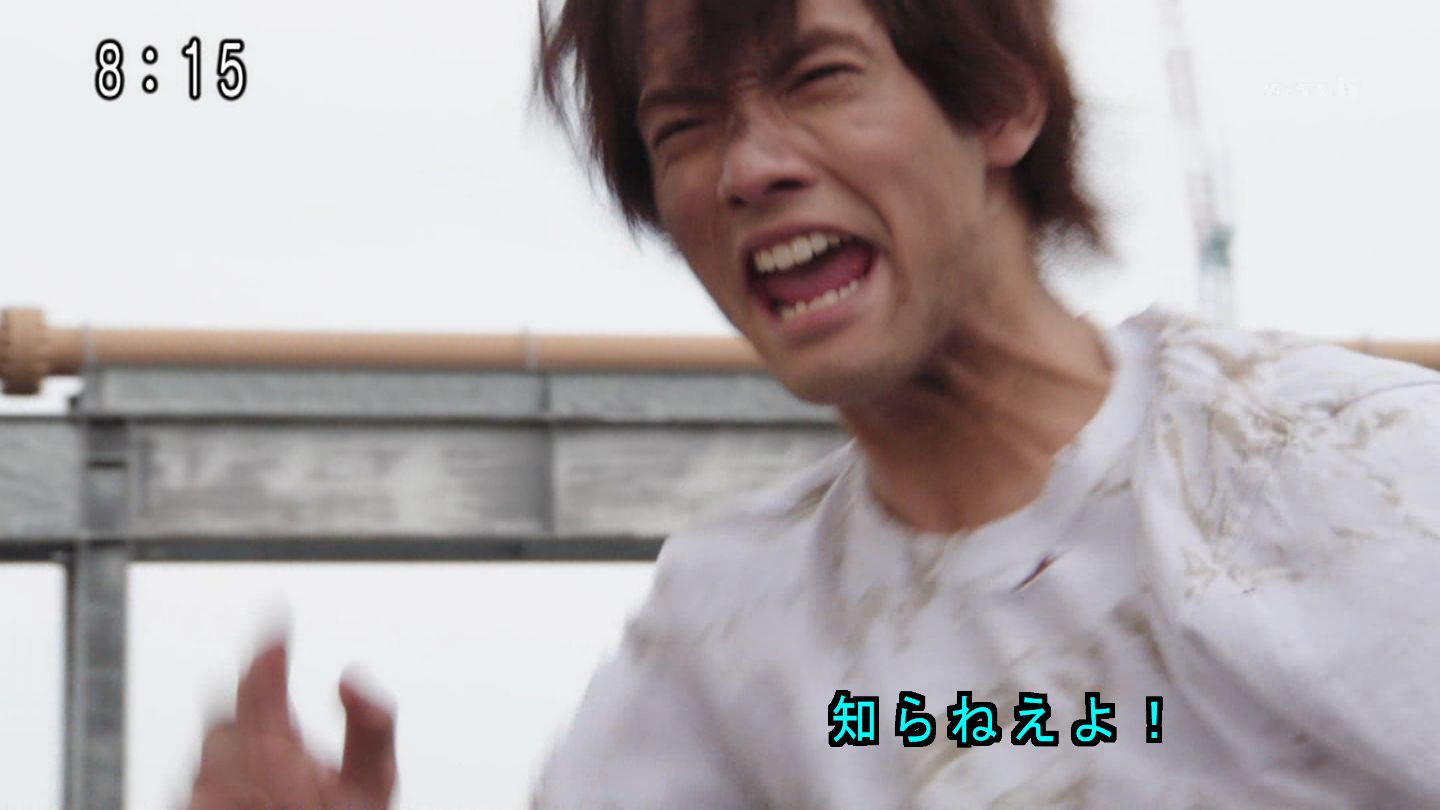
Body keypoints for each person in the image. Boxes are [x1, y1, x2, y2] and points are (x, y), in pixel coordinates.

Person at [186, 0, 1440, 806]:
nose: (749, 168)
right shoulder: (727, 637)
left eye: (821, 77)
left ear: (999, 99)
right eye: (683, 127)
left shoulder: (1354, 472)